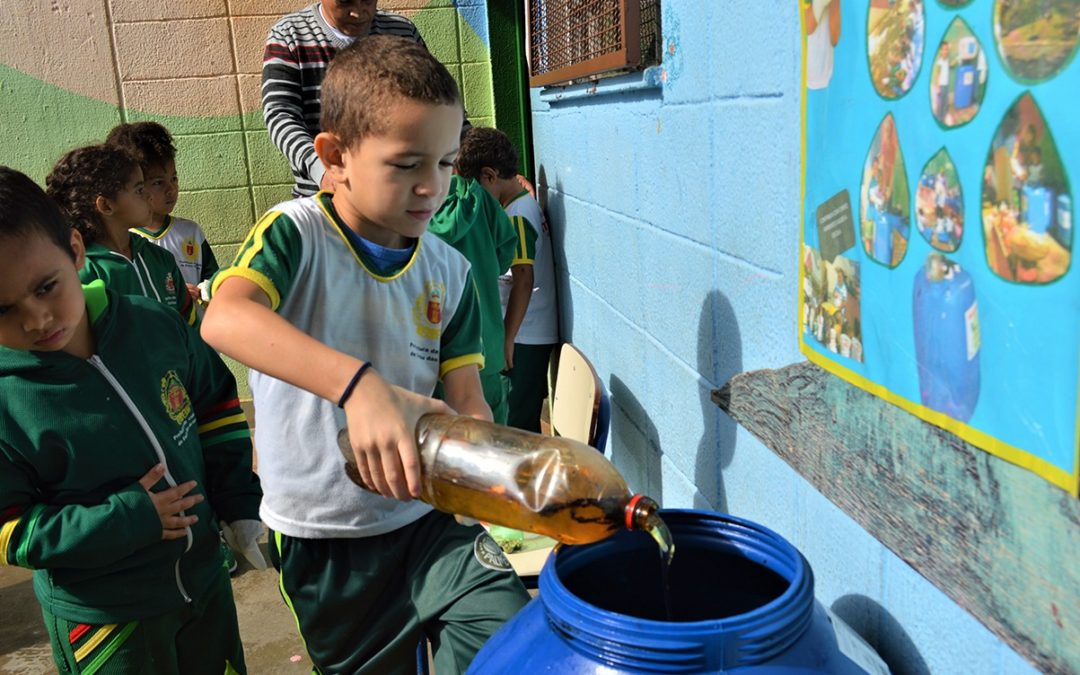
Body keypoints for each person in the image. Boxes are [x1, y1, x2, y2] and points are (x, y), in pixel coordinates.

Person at [202, 36, 530, 674]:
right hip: (326, 537)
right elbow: (226, 317)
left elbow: (464, 394)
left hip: (430, 519)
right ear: (336, 155)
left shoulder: (450, 271)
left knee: (509, 638)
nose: (430, 187)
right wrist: (361, 387)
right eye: (406, 164)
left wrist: (493, 466)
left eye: (444, 162)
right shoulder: (295, 233)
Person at [0, 167, 262, 674]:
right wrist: (129, 518)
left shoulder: (152, 322)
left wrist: (238, 504)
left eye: (47, 287)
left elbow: (215, 408)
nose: (36, 319)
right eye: (2, 309)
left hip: (206, 584)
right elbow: (12, 532)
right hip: (109, 623)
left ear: (75, 251)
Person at [263, 0, 441, 197]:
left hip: (399, 199)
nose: (358, 13)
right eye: (345, 2)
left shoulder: (402, 32)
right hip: (325, 200)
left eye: (368, 0)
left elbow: (437, 102)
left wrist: (469, 154)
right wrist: (323, 171)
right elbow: (281, 116)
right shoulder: (290, 35)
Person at [454, 127, 560, 432]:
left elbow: (524, 278)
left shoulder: (516, 215)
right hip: (526, 332)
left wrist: (507, 339)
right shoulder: (521, 202)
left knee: (518, 424)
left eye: (474, 187)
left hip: (525, 336)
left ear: (489, 176)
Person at [45, 144, 197, 325]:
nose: (149, 196)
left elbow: (189, 326)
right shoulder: (84, 271)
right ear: (106, 206)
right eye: (139, 190)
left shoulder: (161, 259)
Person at [427, 171, 520, 426]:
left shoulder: (415, 205)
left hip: (437, 354)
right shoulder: (482, 198)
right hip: (487, 345)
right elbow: (505, 256)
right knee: (494, 445)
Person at [106, 122, 220, 310]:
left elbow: (213, 279)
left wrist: (205, 291)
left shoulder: (191, 232)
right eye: (158, 183)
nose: (171, 189)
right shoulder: (123, 242)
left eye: (174, 178)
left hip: (194, 332)